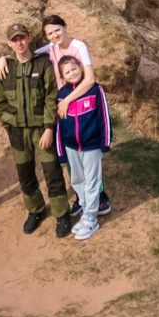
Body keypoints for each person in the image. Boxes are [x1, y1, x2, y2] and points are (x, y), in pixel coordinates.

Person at [0, 15, 109, 217]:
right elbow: (25, 53)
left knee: (89, 151)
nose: (55, 35)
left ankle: (100, 197)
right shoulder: (49, 49)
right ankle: (81, 197)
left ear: (65, 27)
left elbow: (90, 80)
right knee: (72, 155)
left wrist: (67, 100)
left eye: (57, 30)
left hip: (80, 103)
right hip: (63, 108)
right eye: (50, 33)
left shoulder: (79, 46)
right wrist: (4, 59)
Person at [0, 22, 71, 236]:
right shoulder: (5, 68)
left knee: (52, 172)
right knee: (25, 174)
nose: (19, 43)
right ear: (9, 42)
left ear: (28, 38)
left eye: (22, 38)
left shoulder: (43, 64)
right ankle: (35, 209)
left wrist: (48, 128)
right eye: (14, 39)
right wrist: (11, 124)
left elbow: (50, 98)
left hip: (40, 130)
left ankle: (61, 213)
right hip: (18, 132)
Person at [55, 55, 111, 241]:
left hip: (91, 145)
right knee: (78, 180)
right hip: (71, 147)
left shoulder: (95, 90)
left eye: (74, 69)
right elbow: (59, 126)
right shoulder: (61, 96)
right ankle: (86, 210)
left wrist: (105, 142)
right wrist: (61, 152)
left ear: (81, 67)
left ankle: (91, 217)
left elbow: (104, 116)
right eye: (67, 72)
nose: (72, 73)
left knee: (92, 180)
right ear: (62, 76)